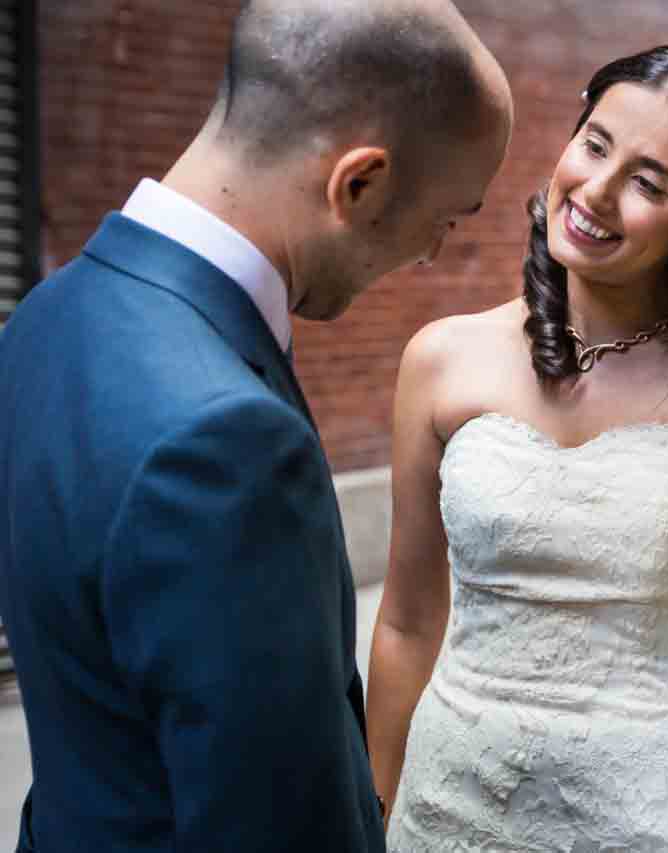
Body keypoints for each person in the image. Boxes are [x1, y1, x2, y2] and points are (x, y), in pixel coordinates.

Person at [0, 1, 512, 850]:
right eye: (444, 220)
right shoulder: (229, 442)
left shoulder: (45, 317)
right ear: (360, 183)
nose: (429, 255)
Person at [367, 45, 668, 851]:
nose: (595, 191)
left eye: (649, 183)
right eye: (594, 144)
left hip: (663, 814)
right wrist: (373, 805)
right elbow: (409, 621)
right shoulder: (442, 359)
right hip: (453, 807)